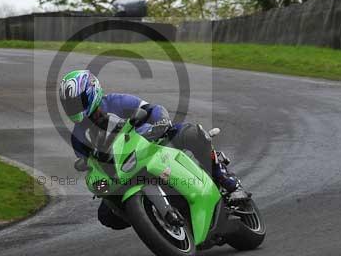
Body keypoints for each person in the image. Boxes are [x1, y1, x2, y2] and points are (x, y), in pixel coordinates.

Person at [58, 69, 251, 229]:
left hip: (151, 143)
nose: (74, 108)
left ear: (92, 92)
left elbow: (152, 109)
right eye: (70, 104)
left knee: (191, 133)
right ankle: (148, 218)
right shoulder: (78, 137)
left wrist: (161, 122)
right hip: (123, 171)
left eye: (78, 102)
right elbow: (91, 166)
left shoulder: (116, 101)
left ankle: (226, 180)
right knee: (106, 215)